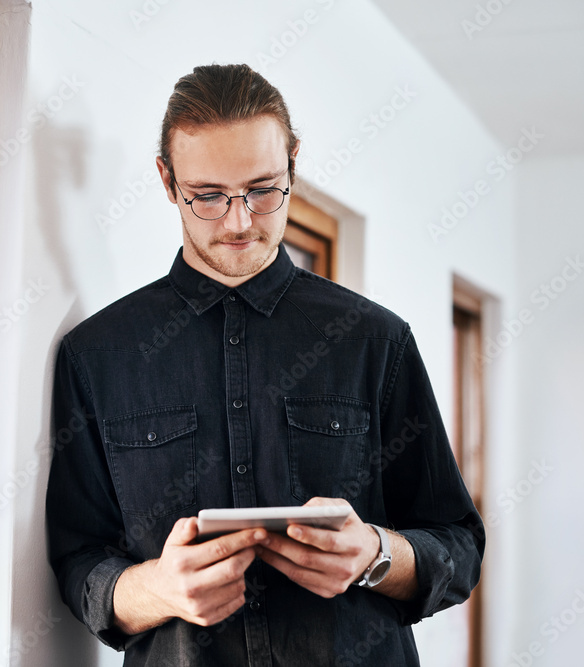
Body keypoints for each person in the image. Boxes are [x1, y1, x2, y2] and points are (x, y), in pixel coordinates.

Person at [45, 63, 484, 666]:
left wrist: (377, 554)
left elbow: (458, 543)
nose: (239, 221)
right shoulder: (96, 356)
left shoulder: (377, 340)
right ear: (167, 181)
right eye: (208, 196)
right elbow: (77, 559)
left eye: (261, 189)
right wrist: (158, 588)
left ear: (294, 164)